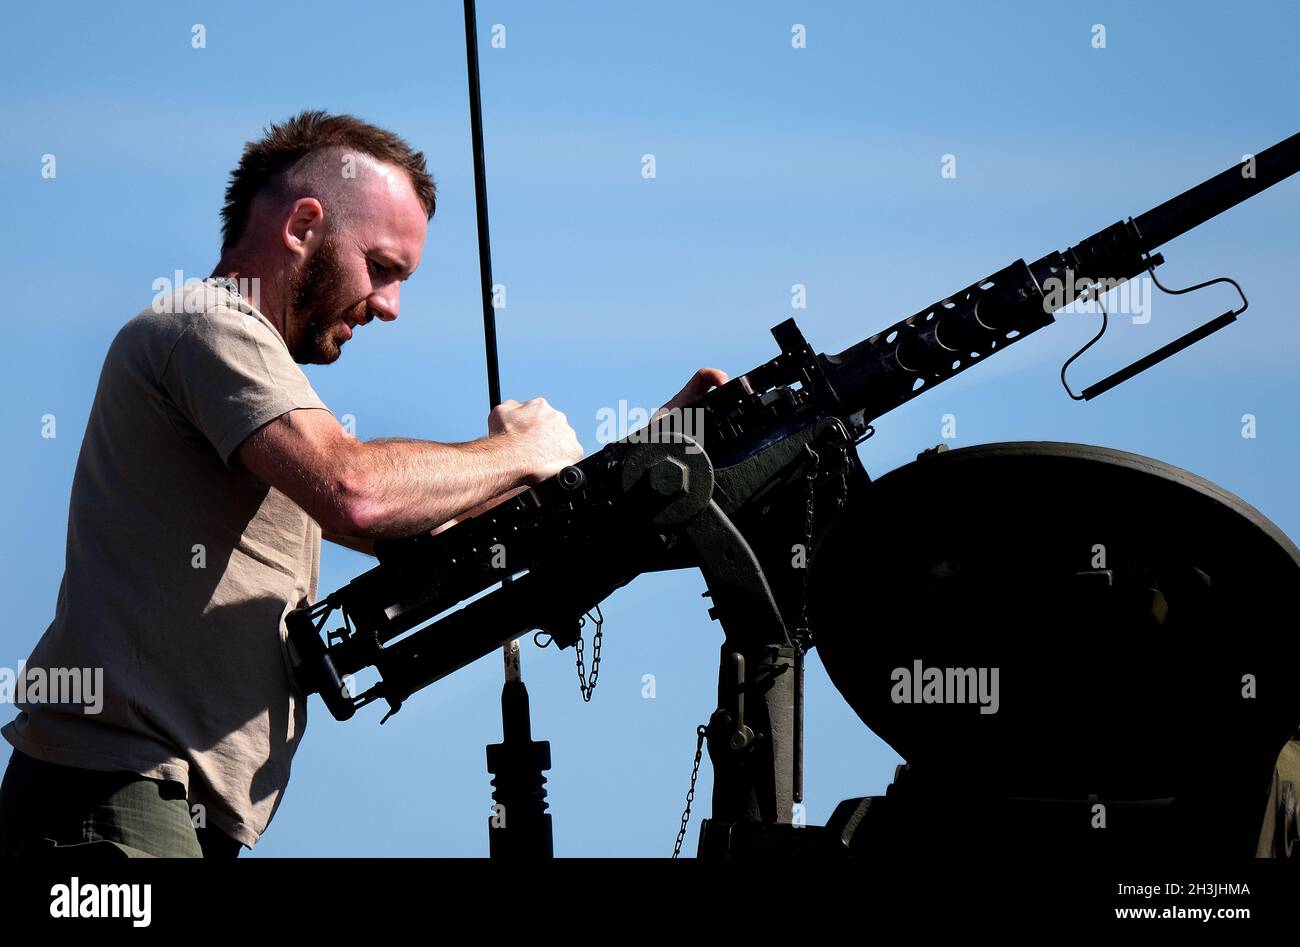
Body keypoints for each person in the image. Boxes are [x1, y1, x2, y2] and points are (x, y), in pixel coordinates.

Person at [0, 110, 727, 858]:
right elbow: (355, 490)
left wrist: (633, 462)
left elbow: (435, 533)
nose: (389, 305)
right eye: (381, 267)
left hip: (157, 807)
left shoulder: (259, 402)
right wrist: (518, 449)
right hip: (112, 799)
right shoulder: (206, 325)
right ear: (303, 225)